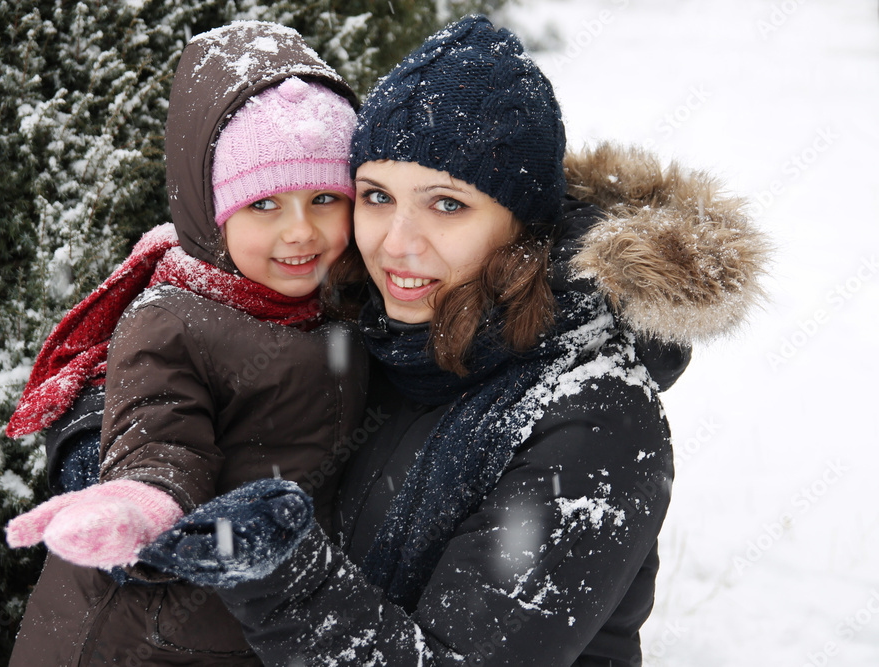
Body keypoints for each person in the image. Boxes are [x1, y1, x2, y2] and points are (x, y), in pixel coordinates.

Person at [136, 15, 769, 667]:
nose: (396, 242)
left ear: (522, 224)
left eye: (447, 204)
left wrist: (285, 577)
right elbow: (193, 356)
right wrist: (106, 438)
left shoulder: (597, 420)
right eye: (377, 196)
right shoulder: (364, 325)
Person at [3, 21, 369, 665]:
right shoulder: (173, 318)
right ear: (211, 212)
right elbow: (161, 436)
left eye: (323, 198)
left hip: (252, 628)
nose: (300, 232)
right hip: (139, 637)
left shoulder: (349, 305)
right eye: (263, 206)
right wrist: (143, 501)